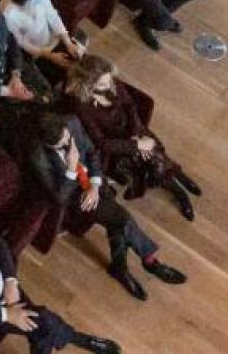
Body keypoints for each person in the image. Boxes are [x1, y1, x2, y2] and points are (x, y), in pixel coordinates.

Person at [24, 111, 186, 300]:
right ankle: (150, 261)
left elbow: (92, 153)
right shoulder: (37, 155)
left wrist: (94, 183)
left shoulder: (72, 123)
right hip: (76, 197)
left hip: (94, 184)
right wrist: (70, 168)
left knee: (117, 223)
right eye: (61, 144)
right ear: (48, 144)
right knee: (122, 219)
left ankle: (119, 268)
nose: (67, 143)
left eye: (66, 136)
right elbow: (59, 197)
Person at [0, 217, 119, 354]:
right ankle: (85, 341)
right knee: (44, 319)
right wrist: (7, 315)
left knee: (40, 329)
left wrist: (11, 281)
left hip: (8, 290)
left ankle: (85, 342)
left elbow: (0, 245)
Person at [63, 53, 200, 219]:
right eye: (102, 84)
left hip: (132, 130)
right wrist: (136, 145)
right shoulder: (81, 106)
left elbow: (130, 106)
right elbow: (102, 142)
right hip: (115, 144)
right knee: (151, 159)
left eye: (109, 80)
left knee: (151, 152)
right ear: (88, 84)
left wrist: (137, 135)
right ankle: (180, 191)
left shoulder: (112, 83)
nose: (109, 85)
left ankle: (178, 177)